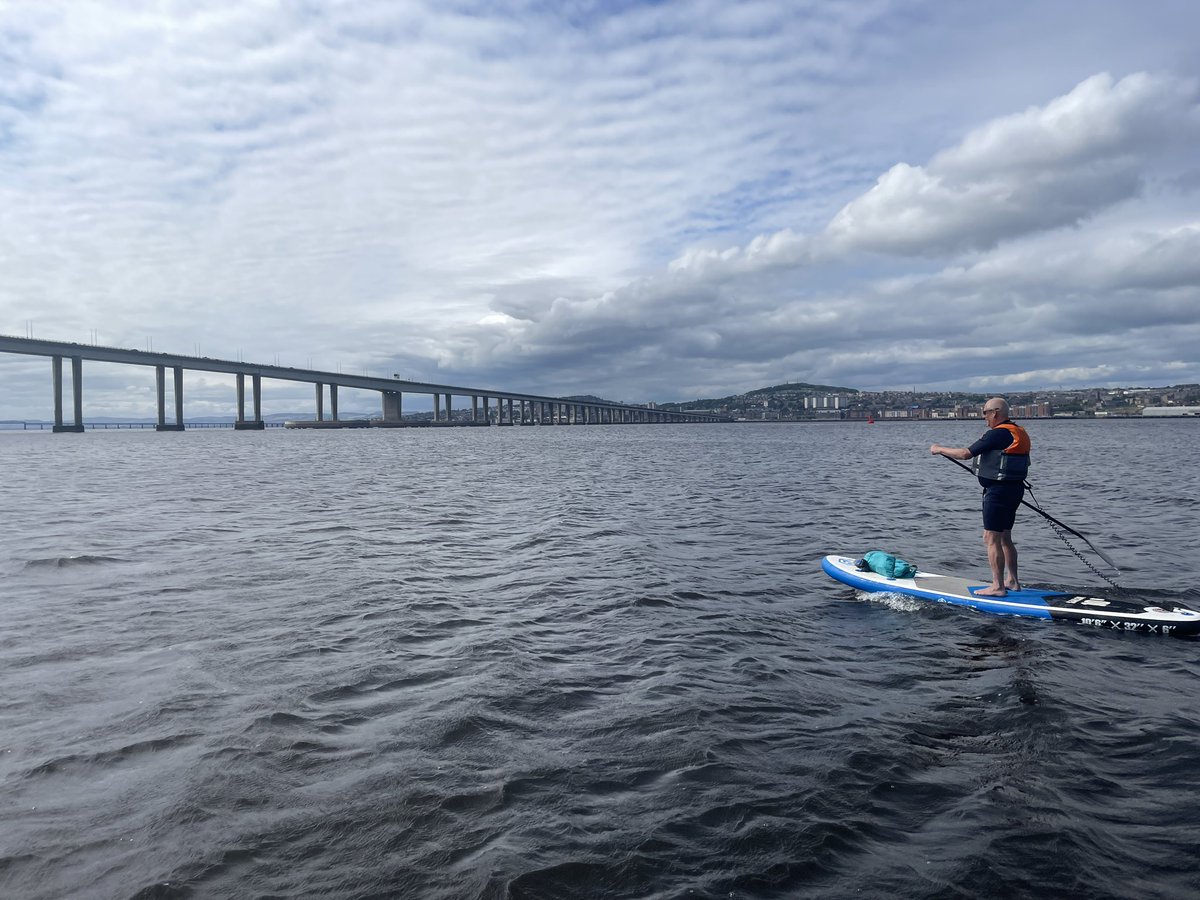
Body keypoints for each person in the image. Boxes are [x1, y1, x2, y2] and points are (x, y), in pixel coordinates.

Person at [930, 398, 1031, 597]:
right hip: (1014, 490)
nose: (984, 417)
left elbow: (965, 454)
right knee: (1005, 537)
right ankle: (1013, 581)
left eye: (985, 412)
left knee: (991, 538)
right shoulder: (1018, 431)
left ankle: (997, 586)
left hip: (998, 492)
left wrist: (939, 449)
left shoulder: (997, 434)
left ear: (995, 413)